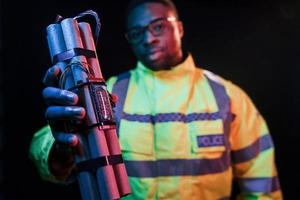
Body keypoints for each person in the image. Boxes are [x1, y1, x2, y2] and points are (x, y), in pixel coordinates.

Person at [29, 0, 283, 199]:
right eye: (137, 33)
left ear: (179, 28)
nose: (149, 38)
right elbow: (43, 144)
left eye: (158, 26)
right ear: (129, 40)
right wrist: (61, 151)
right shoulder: (106, 92)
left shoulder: (228, 97)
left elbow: (262, 188)